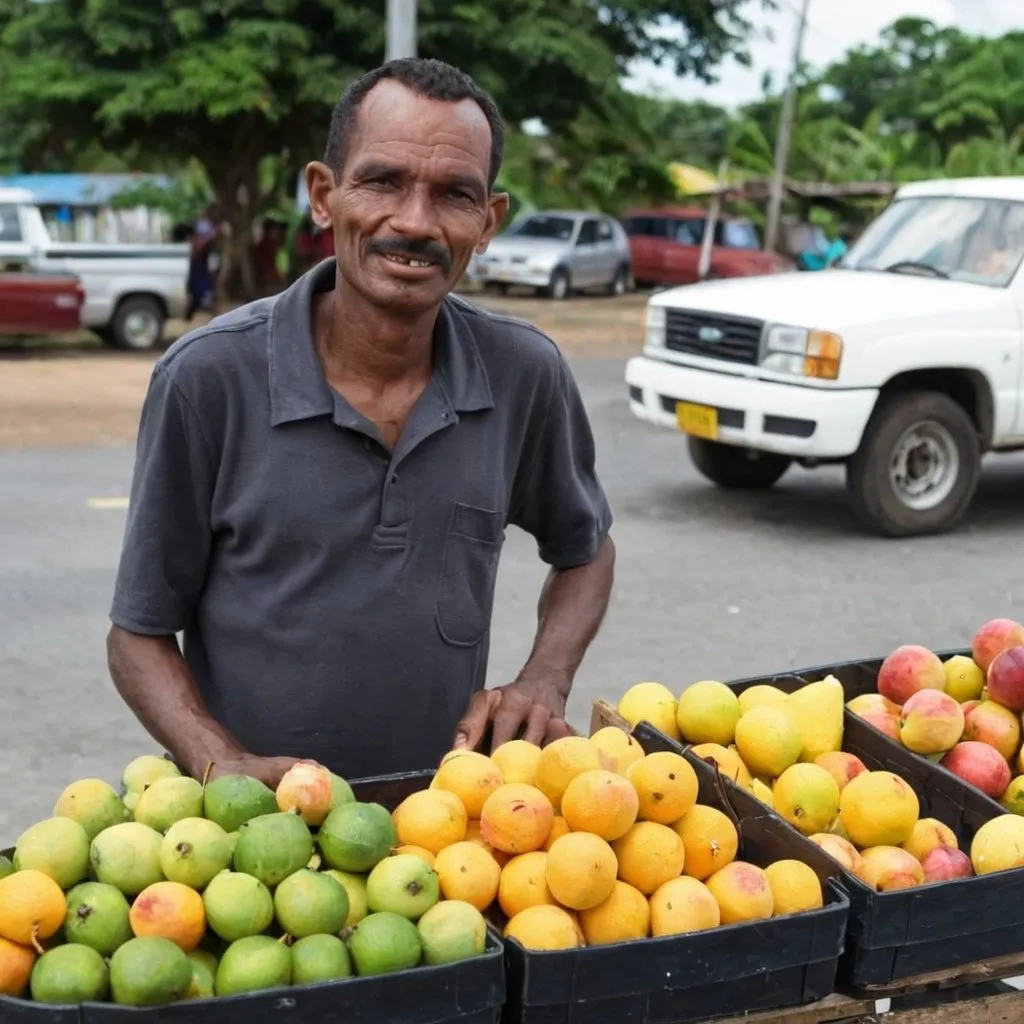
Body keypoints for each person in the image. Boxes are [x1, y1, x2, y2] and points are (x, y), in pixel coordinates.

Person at [106, 58, 615, 790]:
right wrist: (221, 762)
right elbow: (137, 633)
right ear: (324, 195)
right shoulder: (207, 379)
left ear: (488, 222)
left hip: (445, 833)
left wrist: (545, 680)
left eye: (454, 195)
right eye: (382, 181)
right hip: (248, 843)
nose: (414, 222)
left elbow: (586, 550)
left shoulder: (523, 373)